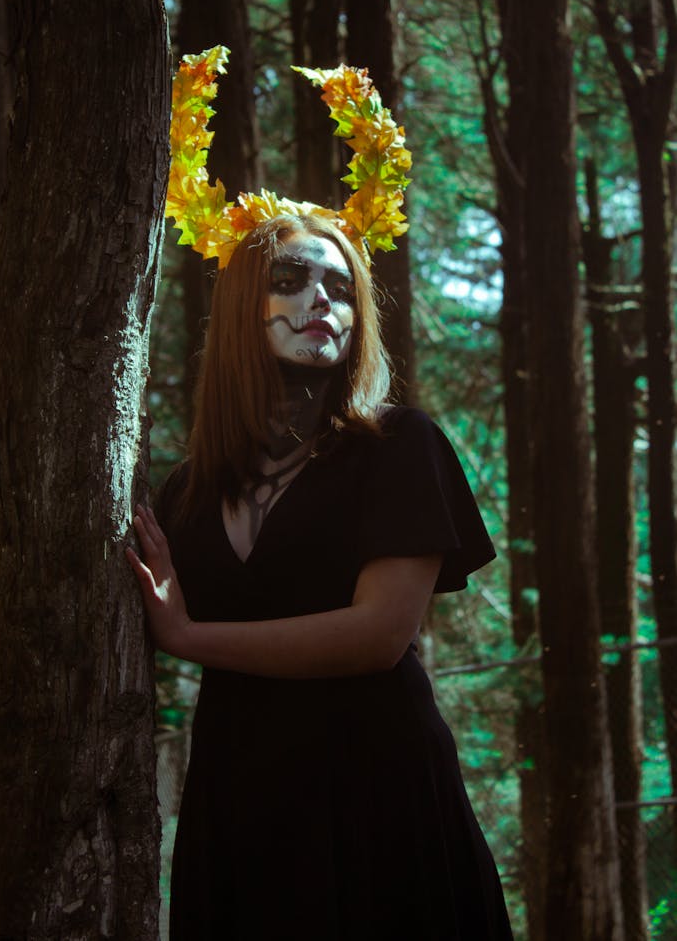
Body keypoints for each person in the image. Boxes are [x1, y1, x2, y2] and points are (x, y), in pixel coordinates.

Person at [126, 49, 513, 939]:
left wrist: (190, 636)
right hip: (243, 806)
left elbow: (380, 634)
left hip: (379, 798)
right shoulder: (185, 492)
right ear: (238, 308)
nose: (321, 304)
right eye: (292, 281)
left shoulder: (398, 449)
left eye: (341, 288)